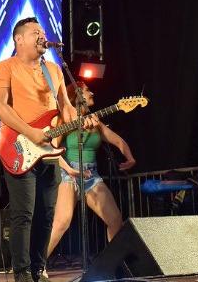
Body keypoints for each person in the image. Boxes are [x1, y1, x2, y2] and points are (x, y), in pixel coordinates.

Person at [0, 17, 98, 282]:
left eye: (43, 32)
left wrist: (79, 120)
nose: (42, 36)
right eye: (35, 32)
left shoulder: (54, 69)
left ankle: (39, 269)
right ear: (19, 39)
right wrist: (30, 131)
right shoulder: (5, 68)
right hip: (19, 147)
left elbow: (65, 107)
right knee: (23, 213)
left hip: (48, 151)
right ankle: (22, 273)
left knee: (46, 213)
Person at [47, 82, 135, 257]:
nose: (92, 92)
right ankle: (35, 266)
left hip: (91, 176)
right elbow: (51, 151)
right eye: (87, 90)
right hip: (68, 173)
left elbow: (118, 141)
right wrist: (69, 170)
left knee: (115, 219)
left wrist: (130, 158)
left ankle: (112, 263)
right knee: (62, 222)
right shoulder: (64, 120)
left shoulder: (96, 122)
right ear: (76, 96)